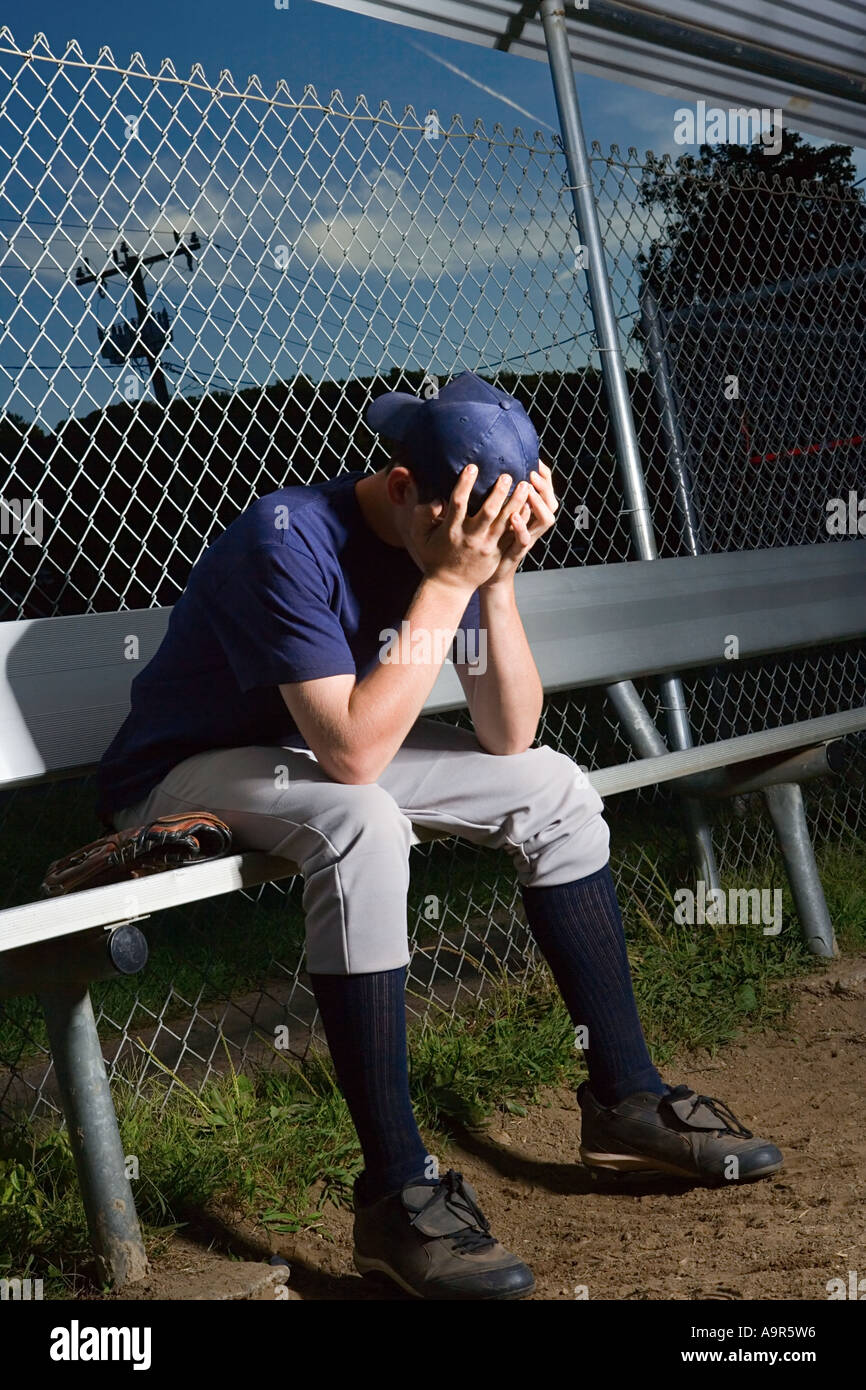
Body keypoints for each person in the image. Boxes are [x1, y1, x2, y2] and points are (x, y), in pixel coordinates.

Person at [97, 370, 782, 1301]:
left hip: (322, 745)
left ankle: (624, 1096)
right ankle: (393, 1192)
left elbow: (511, 736)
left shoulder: (457, 541)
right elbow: (352, 756)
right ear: (398, 486)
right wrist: (448, 578)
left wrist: (494, 583)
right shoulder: (287, 537)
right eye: (466, 532)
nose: (472, 548)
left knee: (554, 789)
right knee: (362, 823)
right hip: (186, 772)